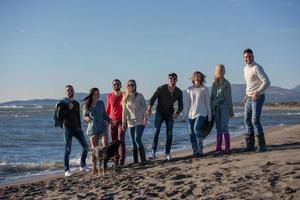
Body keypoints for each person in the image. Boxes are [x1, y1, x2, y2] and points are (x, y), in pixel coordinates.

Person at [147, 73, 183, 160]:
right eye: (171, 78)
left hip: (170, 114)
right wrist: (149, 107)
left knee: (169, 134)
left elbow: (181, 106)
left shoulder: (178, 91)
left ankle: (167, 153)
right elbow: (153, 98)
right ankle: (153, 153)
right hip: (159, 112)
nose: (172, 80)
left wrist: (177, 113)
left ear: (176, 80)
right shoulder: (161, 88)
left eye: (174, 79)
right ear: (168, 79)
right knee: (156, 132)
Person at [57, 85, 89, 177]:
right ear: (65, 92)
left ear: (73, 91)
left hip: (77, 129)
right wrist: (68, 108)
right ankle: (67, 170)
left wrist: (80, 127)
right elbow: (60, 116)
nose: (69, 91)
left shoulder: (76, 103)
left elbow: (78, 116)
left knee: (85, 147)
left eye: (71, 90)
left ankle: (83, 165)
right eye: (67, 90)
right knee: (68, 150)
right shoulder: (63, 103)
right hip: (68, 129)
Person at [243, 48, 271, 152]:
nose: (248, 58)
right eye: (246, 57)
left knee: (255, 121)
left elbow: (267, 82)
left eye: (249, 56)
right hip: (249, 98)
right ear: (243, 58)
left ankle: (262, 146)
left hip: (258, 97)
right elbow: (249, 84)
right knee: (246, 120)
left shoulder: (257, 68)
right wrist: (246, 95)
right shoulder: (245, 68)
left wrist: (257, 92)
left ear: (253, 56)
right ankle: (250, 146)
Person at [186, 71, 212, 157]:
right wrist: (185, 115)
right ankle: (195, 151)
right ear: (193, 78)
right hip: (191, 114)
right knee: (191, 133)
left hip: (202, 113)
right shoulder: (189, 89)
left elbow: (208, 104)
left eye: (199, 76)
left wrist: (209, 117)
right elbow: (188, 103)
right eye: (195, 76)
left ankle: (200, 150)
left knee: (196, 129)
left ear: (201, 78)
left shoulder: (204, 89)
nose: (197, 78)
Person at [122, 80, 148, 164]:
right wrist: (123, 122)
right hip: (130, 122)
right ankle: (135, 161)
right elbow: (124, 111)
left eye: (132, 85)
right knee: (133, 141)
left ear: (135, 86)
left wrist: (146, 118)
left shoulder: (140, 96)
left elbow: (144, 108)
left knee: (137, 139)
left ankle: (143, 159)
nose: (131, 86)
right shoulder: (125, 97)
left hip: (140, 121)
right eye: (129, 85)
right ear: (127, 86)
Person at [210, 64, 234, 154]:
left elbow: (229, 98)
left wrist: (231, 110)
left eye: (221, 70)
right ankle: (218, 147)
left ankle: (227, 147)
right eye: (218, 70)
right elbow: (212, 97)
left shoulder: (226, 84)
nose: (220, 71)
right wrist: (211, 108)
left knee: (224, 127)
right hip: (216, 108)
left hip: (224, 107)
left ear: (224, 72)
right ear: (215, 72)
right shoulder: (214, 84)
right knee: (218, 128)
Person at [106, 79, 126, 166]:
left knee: (120, 140)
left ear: (120, 85)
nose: (116, 85)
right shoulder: (109, 96)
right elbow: (108, 109)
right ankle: (116, 160)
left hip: (122, 121)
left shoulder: (124, 95)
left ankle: (122, 161)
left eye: (118, 84)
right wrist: (106, 121)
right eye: (114, 84)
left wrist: (125, 121)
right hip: (112, 121)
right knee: (114, 142)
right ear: (113, 86)